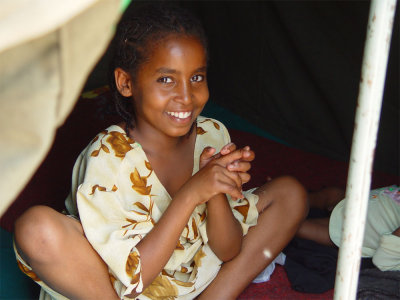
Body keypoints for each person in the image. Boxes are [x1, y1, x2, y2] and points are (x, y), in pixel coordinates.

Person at [13, 4, 308, 299]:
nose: (185, 96)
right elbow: (133, 280)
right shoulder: (108, 157)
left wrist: (215, 190)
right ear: (126, 83)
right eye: (166, 79)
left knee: (290, 194)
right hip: (119, 288)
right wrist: (193, 191)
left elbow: (229, 250)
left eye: (196, 77)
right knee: (35, 228)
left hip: (192, 275)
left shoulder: (212, 135)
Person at [297, 185, 400, 271]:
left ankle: (289, 211)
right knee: (330, 195)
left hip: (351, 230)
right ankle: (291, 199)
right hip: (359, 201)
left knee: (299, 227)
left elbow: (383, 261)